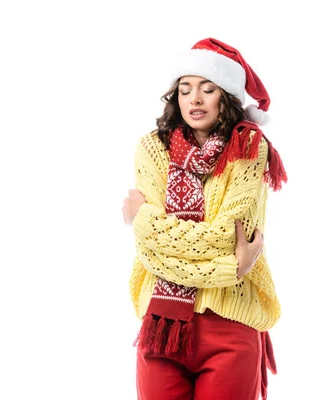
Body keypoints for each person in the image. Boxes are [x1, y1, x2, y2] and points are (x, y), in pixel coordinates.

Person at [122, 38, 287, 400]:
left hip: (229, 325)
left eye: (207, 88)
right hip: (161, 326)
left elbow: (226, 237)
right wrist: (230, 269)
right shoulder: (151, 149)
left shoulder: (249, 147)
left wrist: (145, 219)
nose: (194, 99)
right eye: (185, 89)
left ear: (225, 95)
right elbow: (148, 252)